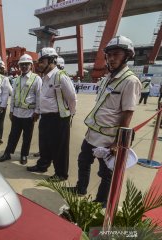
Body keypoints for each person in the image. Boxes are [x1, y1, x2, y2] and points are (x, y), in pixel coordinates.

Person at [67, 36, 141, 206]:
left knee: (106, 173)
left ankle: (100, 203)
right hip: (92, 134)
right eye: (109, 55)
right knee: (83, 161)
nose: (112, 58)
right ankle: (81, 188)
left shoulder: (130, 81)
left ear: (126, 56)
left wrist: (117, 142)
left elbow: (127, 113)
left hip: (109, 139)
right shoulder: (107, 77)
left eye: (116, 54)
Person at [27, 47, 76, 182]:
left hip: (59, 118)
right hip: (46, 117)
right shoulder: (45, 78)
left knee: (59, 147)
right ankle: (42, 165)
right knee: (45, 144)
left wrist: (69, 115)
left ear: (52, 61)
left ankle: (61, 174)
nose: (39, 64)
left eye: (42, 61)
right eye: (39, 61)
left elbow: (72, 98)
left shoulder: (60, 76)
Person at [0, 54, 42, 165]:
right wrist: (11, 110)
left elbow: (39, 96)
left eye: (27, 64)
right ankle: (8, 153)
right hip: (17, 113)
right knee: (13, 135)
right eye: (22, 64)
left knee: (27, 136)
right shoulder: (16, 79)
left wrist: (37, 112)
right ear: (19, 66)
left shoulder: (36, 79)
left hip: (29, 114)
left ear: (31, 65)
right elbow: (13, 96)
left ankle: (24, 155)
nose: (24, 66)